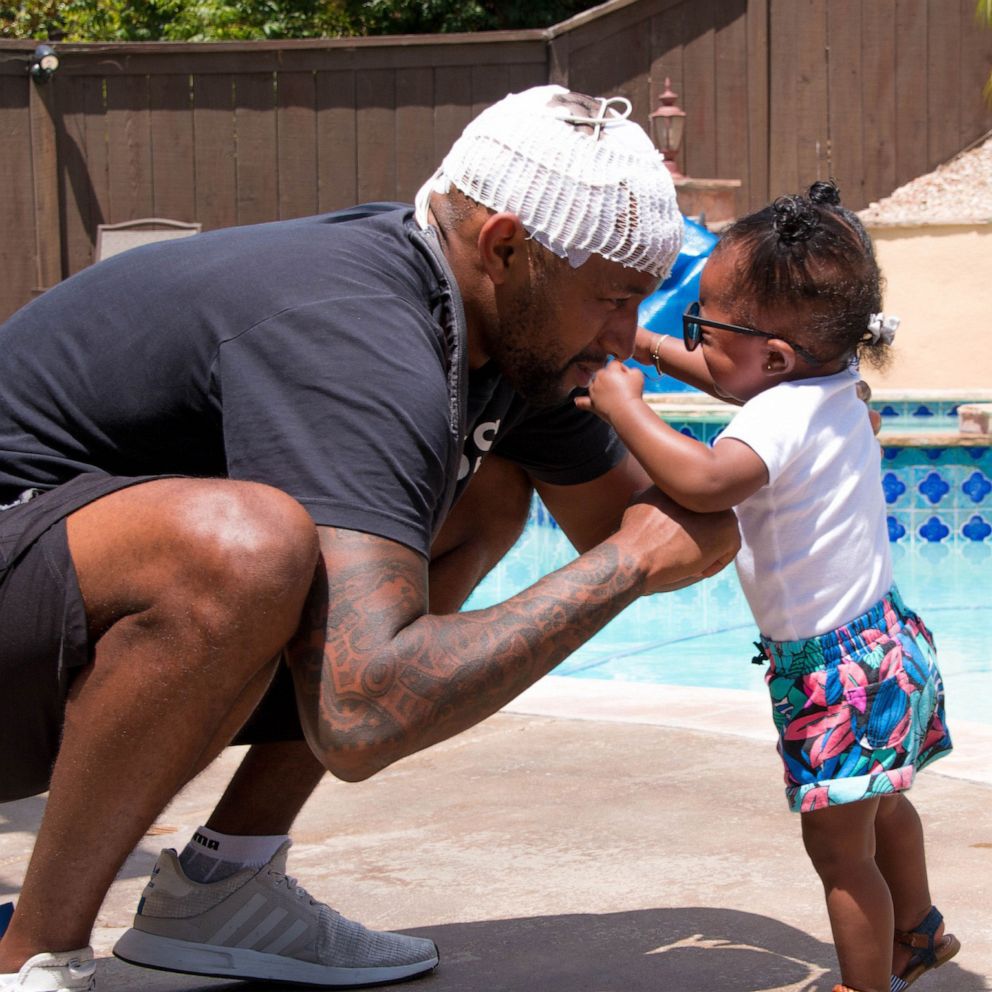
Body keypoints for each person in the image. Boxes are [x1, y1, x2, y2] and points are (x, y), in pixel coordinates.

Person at [0, 85, 740, 991]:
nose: (627, 339)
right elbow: (364, 713)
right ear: (504, 246)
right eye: (614, 302)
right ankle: (32, 956)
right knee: (246, 545)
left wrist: (774, 447)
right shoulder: (357, 327)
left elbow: (643, 519)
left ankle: (223, 885)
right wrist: (628, 567)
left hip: (51, 627)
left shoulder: (504, 336)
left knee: (487, 496)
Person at [577, 180, 959, 992]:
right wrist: (646, 346)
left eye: (702, 326)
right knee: (885, 806)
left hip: (835, 676)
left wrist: (622, 406)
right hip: (889, 646)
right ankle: (919, 932)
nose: (695, 340)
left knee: (838, 855)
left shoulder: (773, 420)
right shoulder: (829, 381)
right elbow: (728, 376)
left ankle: (865, 986)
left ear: (774, 358)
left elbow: (708, 480)